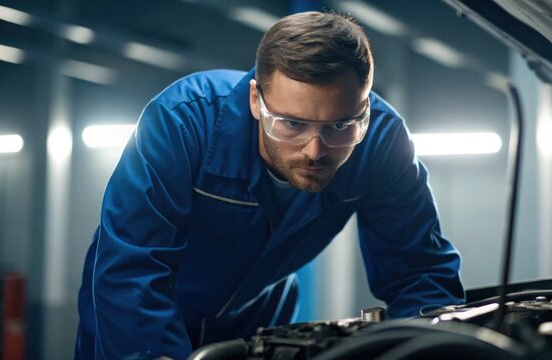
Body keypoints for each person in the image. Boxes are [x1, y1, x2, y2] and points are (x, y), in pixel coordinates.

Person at [75, 11, 464, 360]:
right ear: (255, 100)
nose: (315, 151)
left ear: (363, 109)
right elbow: (134, 266)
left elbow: (420, 274)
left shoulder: (382, 141)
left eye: (340, 127)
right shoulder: (182, 123)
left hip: (257, 319)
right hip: (137, 319)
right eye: (292, 124)